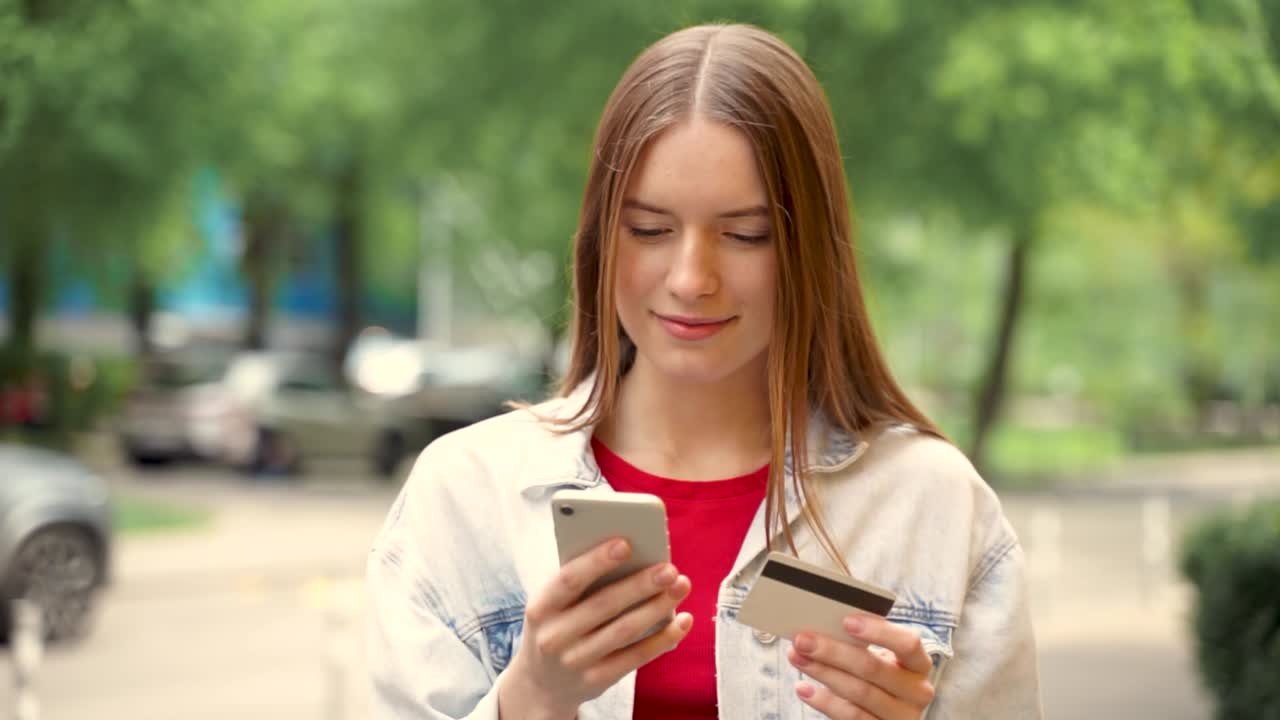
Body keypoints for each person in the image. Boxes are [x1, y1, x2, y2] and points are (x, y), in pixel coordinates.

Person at [367, 23, 1042, 720]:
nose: (692, 279)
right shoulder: (465, 499)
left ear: (810, 247)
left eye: (746, 235)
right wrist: (531, 698)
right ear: (602, 236)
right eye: (651, 230)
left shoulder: (931, 504)